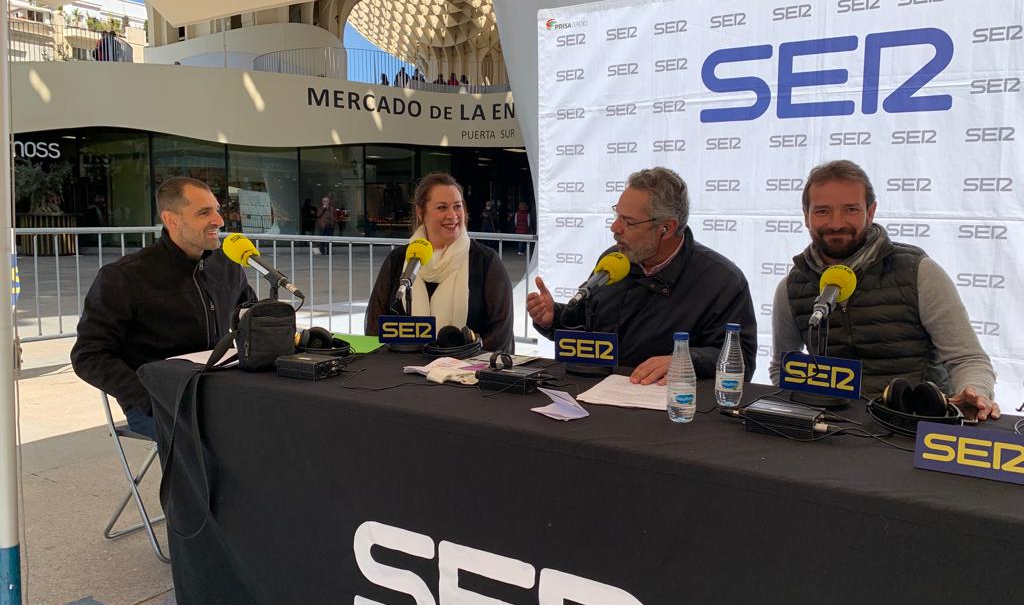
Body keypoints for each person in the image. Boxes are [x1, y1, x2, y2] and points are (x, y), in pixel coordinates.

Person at [770, 160, 1000, 418]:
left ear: (871, 212)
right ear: (806, 216)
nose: (836, 223)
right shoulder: (792, 286)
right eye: (822, 211)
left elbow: (968, 359)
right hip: (829, 426)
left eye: (850, 209)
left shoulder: (919, 273)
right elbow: (782, 367)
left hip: (912, 425)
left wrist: (976, 391)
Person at [528, 167, 757, 384]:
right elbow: (585, 330)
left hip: (670, 411)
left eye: (628, 222)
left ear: (666, 228)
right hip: (596, 396)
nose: (615, 228)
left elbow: (741, 362)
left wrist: (685, 361)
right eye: (617, 215)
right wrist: (553, 318)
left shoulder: (721, 281)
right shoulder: (614, 260)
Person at [71, 177, 255, 438]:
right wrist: (148, 395)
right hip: (154, 403)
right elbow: (88, 355)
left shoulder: (227, 266)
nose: (219, 220)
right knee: (228, 440)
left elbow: (251, 317)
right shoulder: (124, 277)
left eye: (217, 209)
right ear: (172, 220)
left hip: (217, 390)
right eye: (204, 212)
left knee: (278, 424)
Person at [365, 172, 514, 352]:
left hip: (466, 374)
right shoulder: (398, 260)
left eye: (457, 206)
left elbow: (501, 333)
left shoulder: (486, 262)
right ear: (421, 213)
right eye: (442, 207)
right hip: (402, 373)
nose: (453, 215)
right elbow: (374, 326)